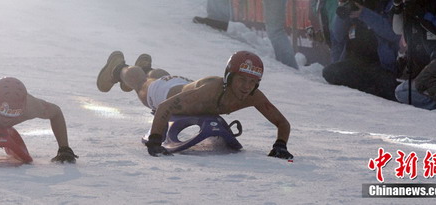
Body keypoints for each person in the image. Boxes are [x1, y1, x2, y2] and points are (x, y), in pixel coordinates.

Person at [96, 50, 293, 158]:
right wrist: (155, 141)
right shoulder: (211, 91)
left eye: (252, 83)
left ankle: (148, 68)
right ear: (229, 77)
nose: (246, 87)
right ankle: (119, 68)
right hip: (164, 93)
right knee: (141, 85)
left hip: (184, 86)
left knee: (163, 78)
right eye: (241, 80)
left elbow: (283, 123)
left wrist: (280, 145)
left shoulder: (253, 95)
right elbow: (165, 107)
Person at [323, 0, 401, 100]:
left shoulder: (387, 0)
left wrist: (364, 13)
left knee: (388, 90)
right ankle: (366, 91)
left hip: (380, 64)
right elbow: (338, 36)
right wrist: (343, 14)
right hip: (356, 62)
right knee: (329, 72)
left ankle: (368, 90)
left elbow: (393, 33)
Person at [302, 0, 349, 64]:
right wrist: (321, 37)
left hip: (348, 54)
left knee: (329, 74)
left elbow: (339, 36)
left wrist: (336, 65)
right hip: (340, 50)